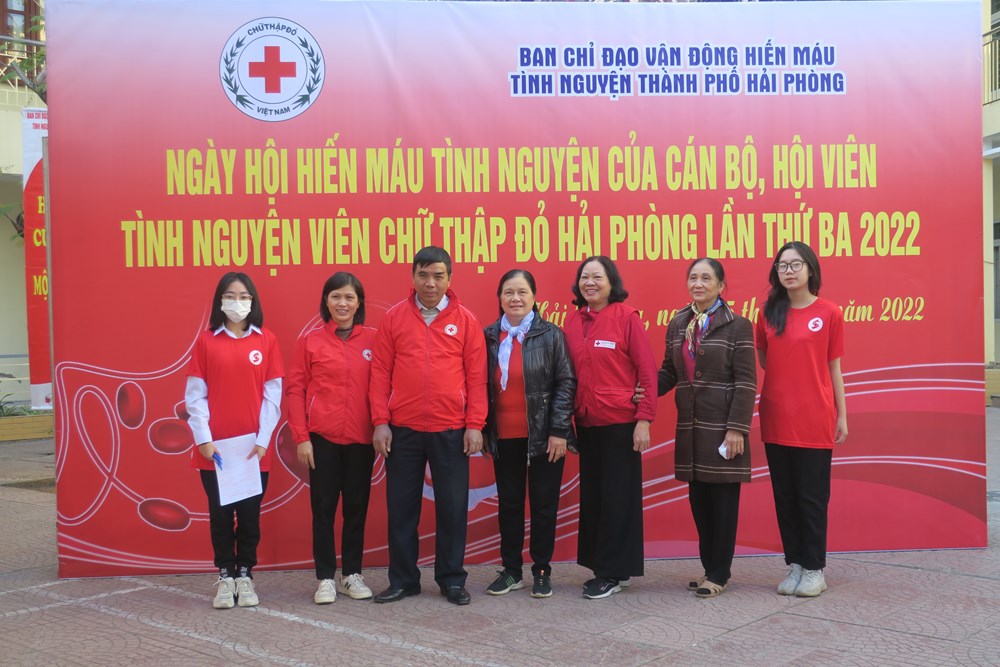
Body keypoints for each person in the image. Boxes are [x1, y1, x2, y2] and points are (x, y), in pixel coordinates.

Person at [369, 246, 488, 606]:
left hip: (451, 429)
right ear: (413, 277)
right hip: (402, 430)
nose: (430, 283)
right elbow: (380, 373)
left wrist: (475, 424)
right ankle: (404, 580)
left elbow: (477, 377)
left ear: (450, 278)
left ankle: (451, 580)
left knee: (452, 508)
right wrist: (380, 421)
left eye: (438, 275)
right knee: (402, 510)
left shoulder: (465, 320)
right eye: (423, 275)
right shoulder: (394, 318)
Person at [656, 258, 756, 598]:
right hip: (691, 428)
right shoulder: (678, 322)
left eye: (706, 278)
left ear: (721, 285)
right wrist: (642, 388)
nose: (698, 284)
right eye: (693, 278)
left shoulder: (738, 326)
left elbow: (746, 382)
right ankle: (708, 567)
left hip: (723, 428)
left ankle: (719, 573)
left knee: (723, 505)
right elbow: (669, 372)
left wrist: (737, 428)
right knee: (699, 503)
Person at [185, 272, 283, 609]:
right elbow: (195, 395)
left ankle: (245, 575)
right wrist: (204, 439)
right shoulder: (206, 341)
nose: (237, 302)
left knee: (250, 516)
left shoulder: (266, 340)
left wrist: (264, 439)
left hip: (253, 450)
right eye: (230, 296)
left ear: (252, 301)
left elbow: (273, 395)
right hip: (216, 451)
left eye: (243, 296)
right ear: (220, 301)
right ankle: (226, 576)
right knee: (221, 516)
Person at [756, 241, 848, 598]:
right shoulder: (768, 314)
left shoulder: (829, 313)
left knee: (812, 498)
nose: (789, 271)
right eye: (782, 265)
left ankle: (814, 569)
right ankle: (794, 564)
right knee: (785, 497)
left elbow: (833, 367)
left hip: (815, 418)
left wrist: (842, 414)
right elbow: (766, 361)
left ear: (810, 269)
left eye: (796, 264)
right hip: (777, 417)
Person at [564, 256, 657, 600]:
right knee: (596, 499)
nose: (590, 283)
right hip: (587, 423)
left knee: (618, 500)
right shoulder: (574, 321)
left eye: (597, 277)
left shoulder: (626, 317)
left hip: (621, 425)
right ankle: (611, 567)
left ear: (611, 282)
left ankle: (611, 574)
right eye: (584, 277)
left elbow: (647, 372)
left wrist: (643, 420)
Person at [483, 269, 577, 599]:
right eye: (509, 292)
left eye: (522, 292)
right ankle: (511, 570)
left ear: (534, 297)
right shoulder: (488, 336)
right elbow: (478, 385)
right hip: (504, 436)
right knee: (509, 505)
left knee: (543, 506)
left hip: (545, 437)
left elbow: (566, 383)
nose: (515, 298)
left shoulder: (551, 335)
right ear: (500, 298)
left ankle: (541, 570)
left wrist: (559, 430)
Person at [285, 272, 377, 605]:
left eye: (349, 297)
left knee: (356, 508)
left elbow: (383, 386)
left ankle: (352, 574)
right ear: (326, 301)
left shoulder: (374, 340)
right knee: (323, 508)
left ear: (359, 302)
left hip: (361, 440)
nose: (342, 303)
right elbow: (295, 390)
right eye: (336, 296)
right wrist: (301, 437)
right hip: (321, 439)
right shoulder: (310, 341)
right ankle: (325, 577)